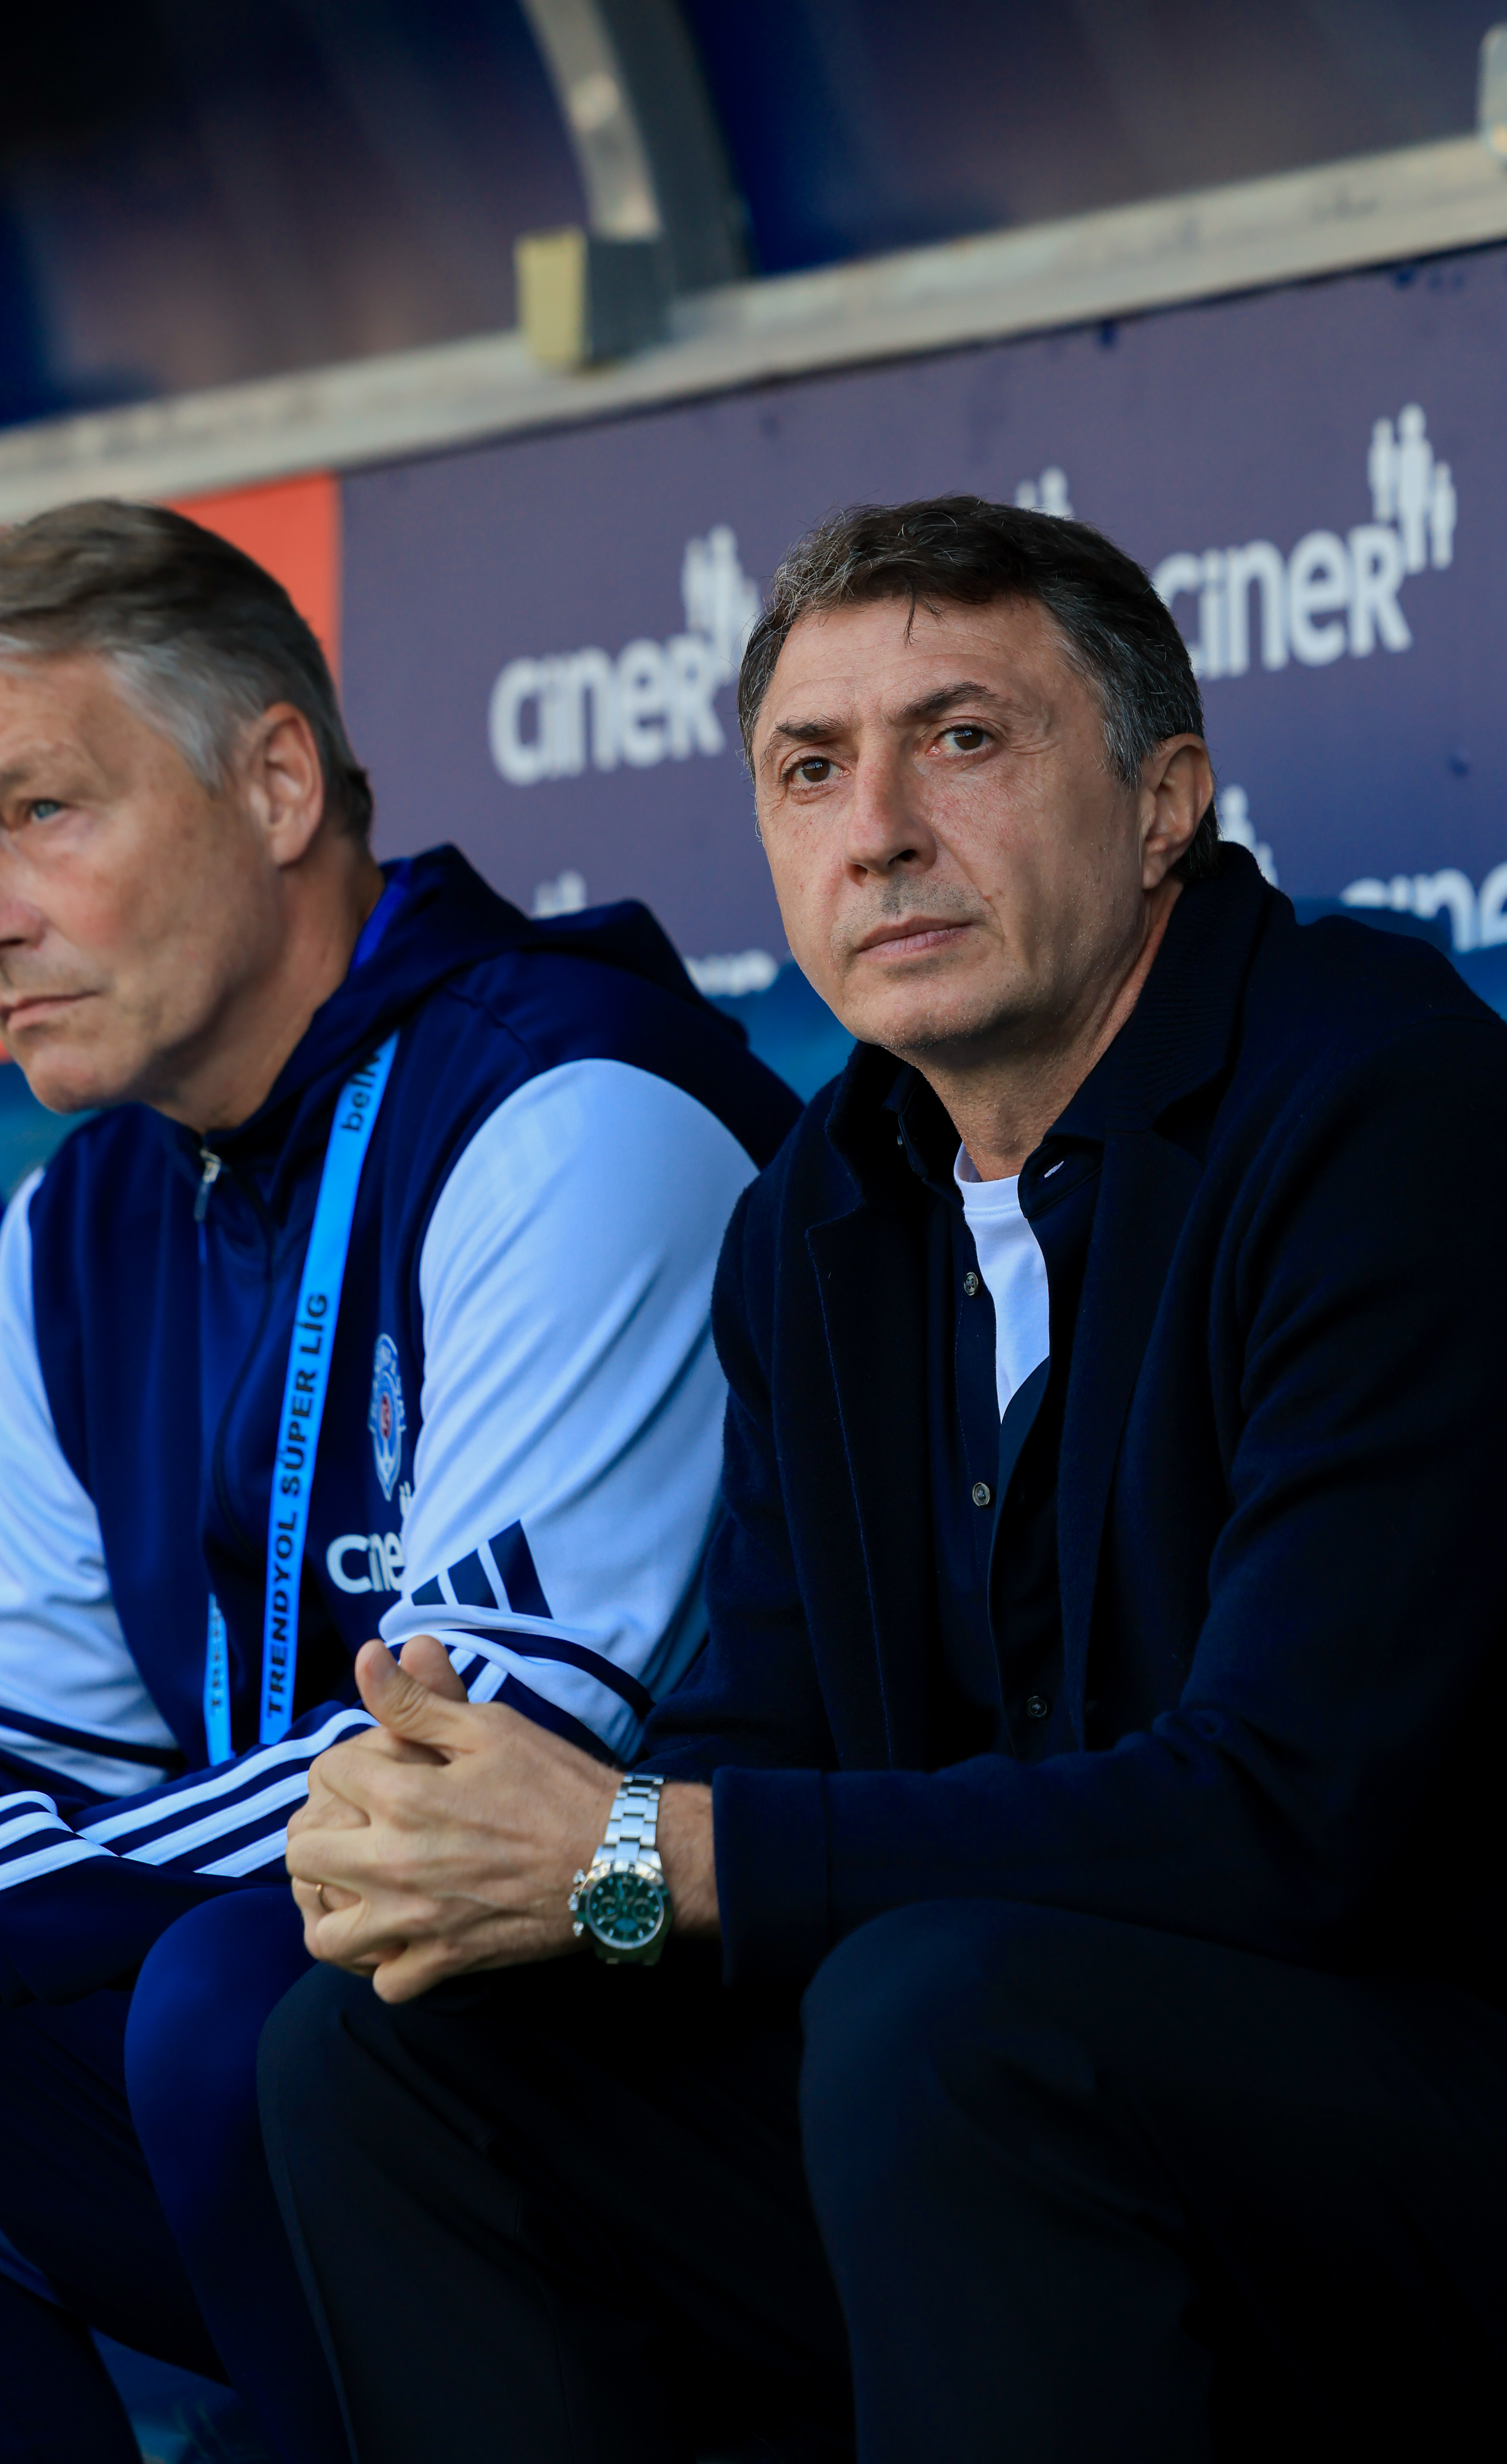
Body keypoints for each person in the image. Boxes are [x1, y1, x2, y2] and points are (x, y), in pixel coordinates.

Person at [271, 497, 1507, 2463]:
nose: (877, 829)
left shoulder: (1388, 1123)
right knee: (391, 2062)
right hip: (1130, 2138)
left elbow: (1280, 1830)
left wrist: (638, 1855)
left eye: (961, 740)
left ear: (1165, 806)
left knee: (952, 2018)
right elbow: (774, 1740)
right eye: (810, 769)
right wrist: (498, 1850)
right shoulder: (825, 1207)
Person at [0, 500, 797, 2464]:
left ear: (279, 783)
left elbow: (471, 1783)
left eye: (42, 813)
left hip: (704, 2026)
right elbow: (35, 1750)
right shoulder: (69, 1222)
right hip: (302, 2025)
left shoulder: (568, 1102)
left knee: (248, 2004)